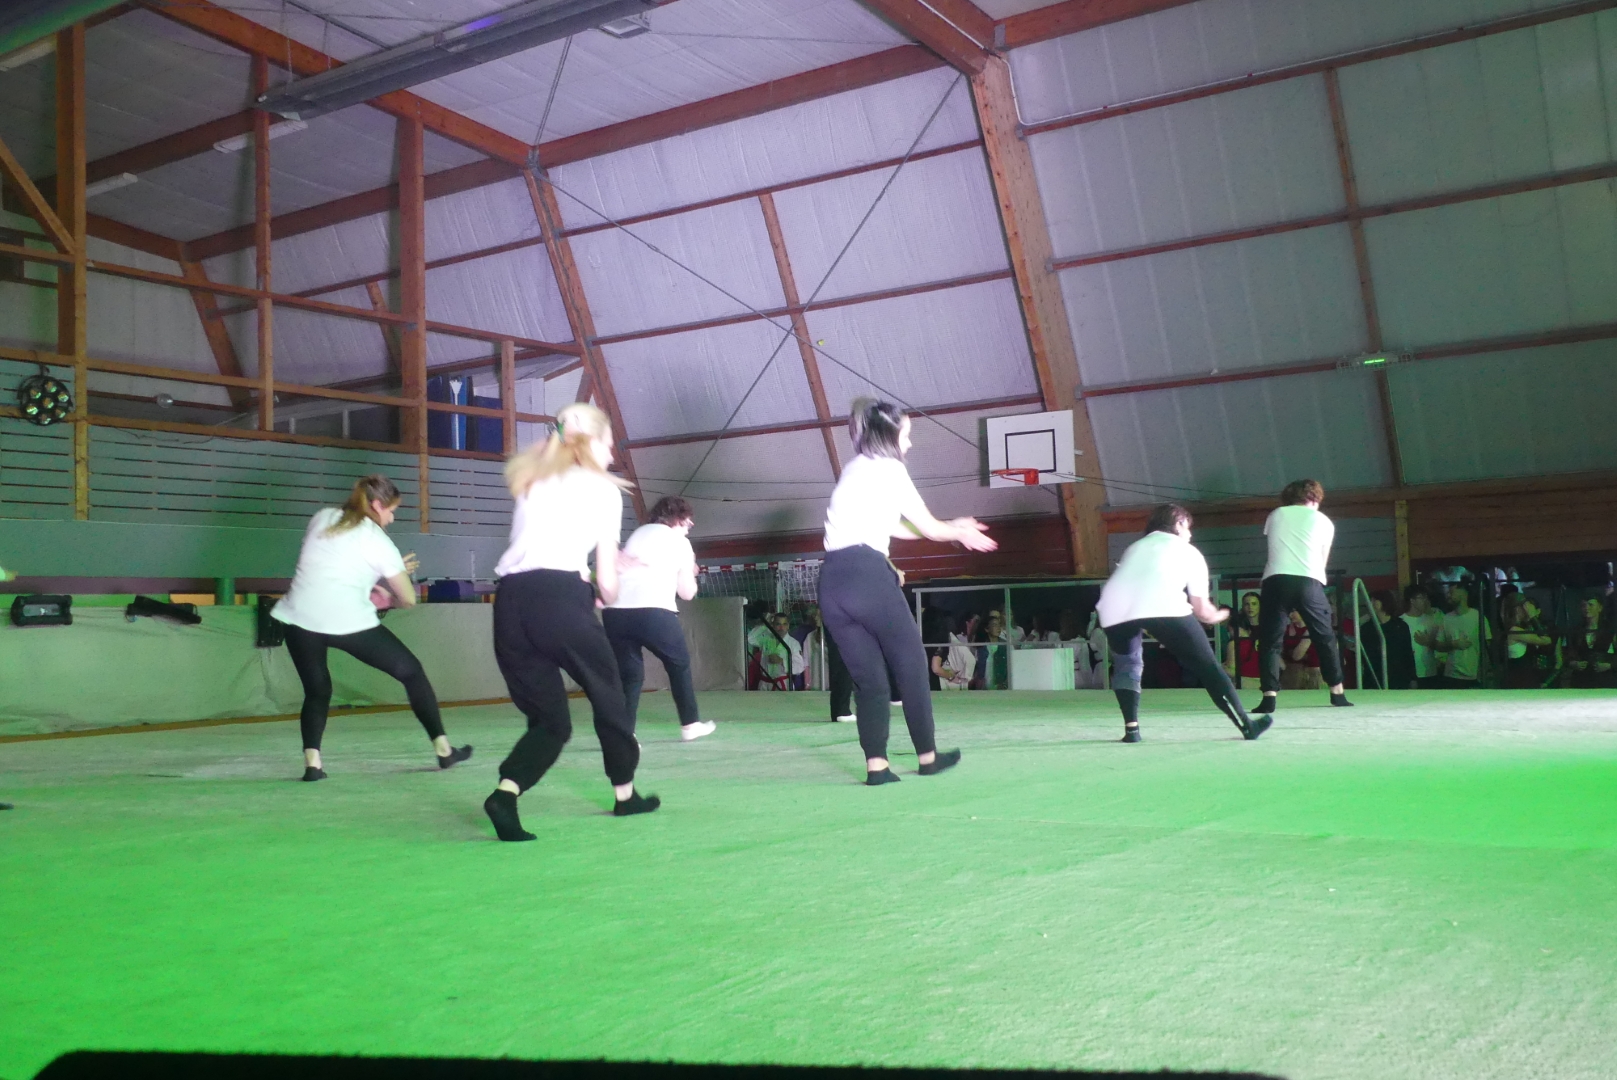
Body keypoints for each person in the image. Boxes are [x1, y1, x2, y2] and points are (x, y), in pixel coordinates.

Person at [482, 402, 657, 843]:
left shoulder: (533, 480)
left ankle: (506, 794)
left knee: (551, 722)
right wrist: (608, 583)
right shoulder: (604, 491)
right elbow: (608, 585)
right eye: (610, 443)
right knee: (609, 694)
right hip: (561, 599)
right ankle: (624, 793)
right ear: (591, 441)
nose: (613, 454)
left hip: (510, 603)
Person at [817, 399, 996, 785]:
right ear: (889, 435)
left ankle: (877, 767)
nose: (909, 444)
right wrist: (958, 531)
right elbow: (929, 528)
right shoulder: (891, 468)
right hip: (867, 575)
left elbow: (896, 525)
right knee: (912, 665)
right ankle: (928, 757)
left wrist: (949, 526)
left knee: (869, 681)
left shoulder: (853, 469)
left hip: (832, 582)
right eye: (906, 436)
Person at [270, 474, 471, 782]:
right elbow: (408, 600)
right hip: (347, 622)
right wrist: (391, 586)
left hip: (297, 619)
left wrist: (384, 571)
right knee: (412, 672)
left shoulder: (322, 517)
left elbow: (332, 565)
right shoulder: (379, 541)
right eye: (391, 511)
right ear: (377, 505)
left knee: (317, 690)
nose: (391, 518)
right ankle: (444, 750)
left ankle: (313, 764)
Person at [1096, 504, 1264, 742]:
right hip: (1162, 604)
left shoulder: (1134, 547)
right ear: (1179, 523)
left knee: (1128, 664)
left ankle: (1131, 730)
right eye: (1189, 527)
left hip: (1112, 608)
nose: (1190, 534)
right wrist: (1219, 615)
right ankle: (1247, 725)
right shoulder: (1188, 551)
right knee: (1208, 667)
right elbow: (1202, 610)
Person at [601, 494, 713, 742]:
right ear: (677, 519)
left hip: (615, 614)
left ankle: (624, 736)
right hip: (653, 611)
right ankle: (690, 724)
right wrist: (690, 569)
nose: (691, 524)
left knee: (630, 675)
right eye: (688, 519)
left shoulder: (638, 534)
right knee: (679, 665)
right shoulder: (681, 542)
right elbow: (687, 593)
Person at [1256, 479, 1352, 713]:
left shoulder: (1275, 514)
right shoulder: (1324, 521)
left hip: (1275, 579)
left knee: (1270, 640)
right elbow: (1322, 560)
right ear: (1315, 498)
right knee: (1324, 637)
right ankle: (1337, 692)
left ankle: (1269, 697)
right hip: (1308, 579)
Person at [1358, 589, 1416, 690]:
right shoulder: (1366, 628)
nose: (1370, 604)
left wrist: (1413, 678)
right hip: (1373, 679)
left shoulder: (1400, 626)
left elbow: (1407, 653)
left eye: (1373, 601)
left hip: (1398, 679)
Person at [1437, 581, 1489, 688]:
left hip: (1474, 675)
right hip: (1451, 675)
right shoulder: (1446, 618)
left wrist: (1484, 671)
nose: (1448, 596)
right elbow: (1438, 645)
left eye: (1451, 592)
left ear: (1463, 593)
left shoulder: (1478, 617)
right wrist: (1453, 644)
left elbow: (1487, 647)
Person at [1500, 592, 1555, 689]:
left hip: (1526, 682)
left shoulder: (1517, 629)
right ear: (1519, 609)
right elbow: (1546, 640)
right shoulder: (1515, 631)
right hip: (1521, 683)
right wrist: (1533, 617)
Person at [1560, 595, 1614, 689]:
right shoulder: (1574, 631)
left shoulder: (1610, 630)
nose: (1586, 608)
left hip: (1605, 679)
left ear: (1600, 608)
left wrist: (1610, 665)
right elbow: (1565, 653)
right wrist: (1573, 663)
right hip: (1581, 680)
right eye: (1583, 605)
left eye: (1590, 605)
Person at [1401, 585, 1444, 688]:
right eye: (1421, 598)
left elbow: (1441, 644)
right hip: (1411, 674)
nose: (1425, 601)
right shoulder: (1401, 622)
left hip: (1431, 672)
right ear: (1412, 600)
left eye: (1426, 598)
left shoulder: (1432, 620)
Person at [1223, 592, 1262, 687]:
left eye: (1254, 604)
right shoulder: (1238, 628)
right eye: (1247, 604)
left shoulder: (1267, 629)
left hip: (1259, 678)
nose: (1250, 607)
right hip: (1244, 679)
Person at [747, 613, 792, 690]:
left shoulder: (793, 643)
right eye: (778, 624)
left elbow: (799, 666)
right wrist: (765, 624)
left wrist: (782, 661)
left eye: (784, 624)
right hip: (765, 683)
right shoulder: (766, 638)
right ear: (773, 625)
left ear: (788, 626)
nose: (781, 627)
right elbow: (750, 639)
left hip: (782, 683)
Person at [1280, 610, 1322, 690]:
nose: (1290, 615)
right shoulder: (1285, 630)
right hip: (1292, 674)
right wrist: (1283, 666)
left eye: (1293, 611)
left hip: (1315, 673)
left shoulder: (1317, 628)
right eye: (1289, 612)